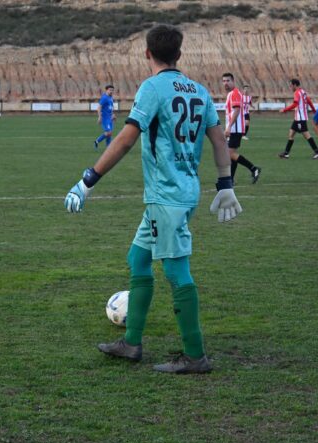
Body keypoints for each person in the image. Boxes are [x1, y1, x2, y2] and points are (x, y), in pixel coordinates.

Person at [64, 24, 242, 374]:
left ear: (147, 53)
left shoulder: (152, 89)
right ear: (179, 54)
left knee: (176, 271)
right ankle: (131, 343)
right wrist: (224, 183)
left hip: (167, 197)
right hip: (181, 193)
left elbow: (126, 139)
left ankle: (195, 356)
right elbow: (220, 141)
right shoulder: (200, 91)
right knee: (137, 259)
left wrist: (88, 181)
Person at [222, 73, 261, 184]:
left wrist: (229, 127)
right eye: (224, 81)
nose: (226, 83)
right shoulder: (231, 94)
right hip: (234, 129)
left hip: (235, 129)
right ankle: (231, 179)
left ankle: (254, 169)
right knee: (232, 154)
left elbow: (237, 110)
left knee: (230, 153)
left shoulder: (234, 93)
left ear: (233, 81)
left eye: (228, 80)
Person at [278, 79, 318, 159]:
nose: (290, 87)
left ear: (295, 85)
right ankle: (286, 153)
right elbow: (309, 101)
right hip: (298, 118)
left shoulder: (297, 92)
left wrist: (284, 110)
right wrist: (314, 111)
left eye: (291, 85)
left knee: (307, 135)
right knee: (291, 134)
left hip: (300, 119)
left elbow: (295, 104)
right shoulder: (303, 92)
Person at [93, 85, 116, 150]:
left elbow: (110, 107)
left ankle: (108, 148)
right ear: (106, 90)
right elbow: (99, 107)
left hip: (110, 117)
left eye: (112, 90)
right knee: (108, 132)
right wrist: (100, 117)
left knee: (110, 133)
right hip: (105, 118)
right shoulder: (104, 98)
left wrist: (113, 114)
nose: (111, 91)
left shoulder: (110, 97)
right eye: (110, 90)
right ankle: (96, 141)